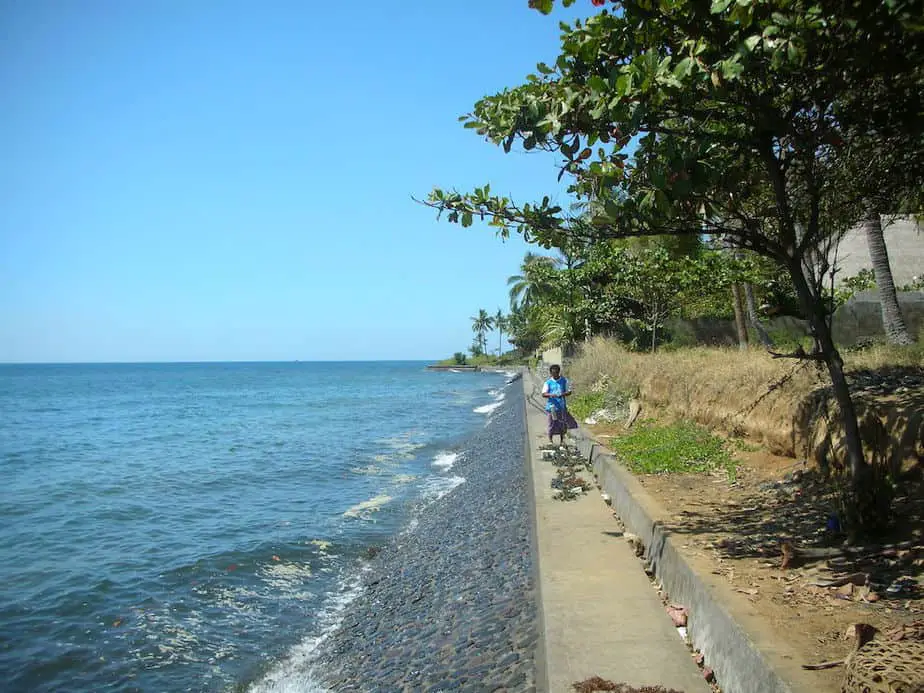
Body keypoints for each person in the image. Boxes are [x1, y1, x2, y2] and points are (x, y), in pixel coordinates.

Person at [542, 364, 577, 444]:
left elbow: (569, 392)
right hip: (552, 407)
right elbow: (543, 394)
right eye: (553, 374)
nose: (554, 375)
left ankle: (562, 440)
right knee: (552, 424)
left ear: (558, 373)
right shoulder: (548, 383)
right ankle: (550, 440)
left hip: (561, 407)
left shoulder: (564, 381)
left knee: (562, 424)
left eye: (556, 373)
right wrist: (551, 395)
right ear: (551, 373)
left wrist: (562, 394)